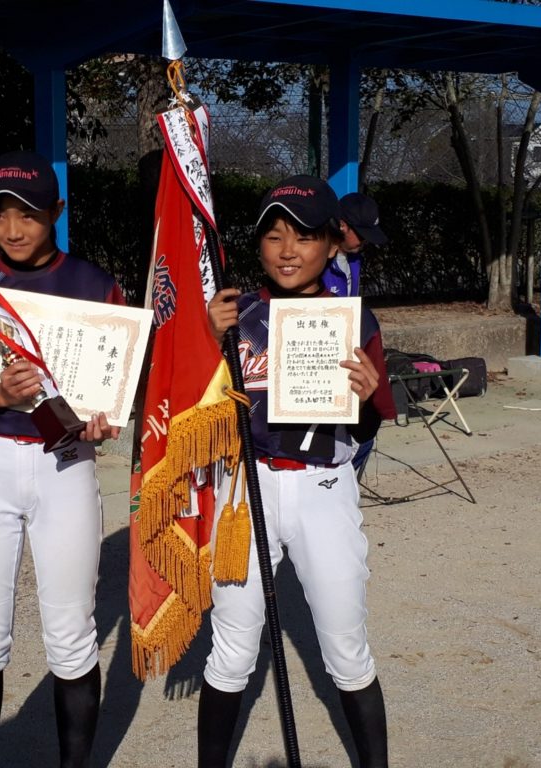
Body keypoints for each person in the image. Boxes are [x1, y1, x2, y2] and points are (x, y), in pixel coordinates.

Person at [0, 150, 124, 768]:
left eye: (29, 214)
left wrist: (106, 416)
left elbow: (118, 383)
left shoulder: (95, 286)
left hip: (65, 463)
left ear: (56, 212)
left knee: (71, 636)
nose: (13, 229)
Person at [199, 175, 396, 768]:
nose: (288, 250)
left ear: (333, 245)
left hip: (322, 487)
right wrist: (207, 339)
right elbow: (192, 408)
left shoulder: (353, 319)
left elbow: (368, 427)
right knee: (231, 652)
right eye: (274, 235)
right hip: (246, 486)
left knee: (345, 649)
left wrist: (365, 396)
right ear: (257, 244)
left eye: (305, 236)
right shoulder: (234, 313)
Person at [324, 192, 389, 474]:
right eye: (360, 234)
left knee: (365, 434)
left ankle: (347, 487)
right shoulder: (315, 261)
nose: (363, 243)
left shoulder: (353, 259)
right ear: (342, 225)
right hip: (321, 360)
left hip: (349, 360)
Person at [323, 192, 388, 299]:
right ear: (342, 225)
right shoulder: (319, 264)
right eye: (361, 235)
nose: (365, 240)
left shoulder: (355, 260)